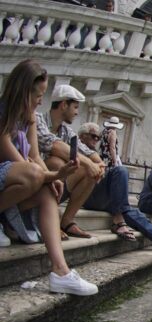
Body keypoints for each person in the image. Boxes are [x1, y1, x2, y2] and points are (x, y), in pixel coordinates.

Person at [0, 59, 97, 295]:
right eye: (38, 95)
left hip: (19, 179)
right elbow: (18, 160)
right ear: (24, 92)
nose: (41, 101)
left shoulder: (30, 118)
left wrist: (54, 177)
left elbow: (34, 154)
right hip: (9, 174)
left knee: (48, 190)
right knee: (37, 175)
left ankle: (61, 271)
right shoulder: (3, 112)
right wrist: (49, 174)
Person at [78, 123, 152, 254]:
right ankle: (119, 221)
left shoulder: (93, 154)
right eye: (93, 136)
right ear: (82, 137)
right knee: (120, 171)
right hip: (86, 196)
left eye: (98, 137)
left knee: (133, 211)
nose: (97, 140)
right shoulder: (76, 149)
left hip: (102, 196)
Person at [36, 84, 102, 239]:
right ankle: (48, 221)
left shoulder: (67, 131)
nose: (77, 112)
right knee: (56, 162)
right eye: (75, 107)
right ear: (64, 105)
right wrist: (88, 163)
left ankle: (66, 221)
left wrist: (98, 164)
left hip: (56, 185)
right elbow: (53, 145)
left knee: (90, 171)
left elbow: (88, 152)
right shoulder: (38, 119)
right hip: (35, 182)